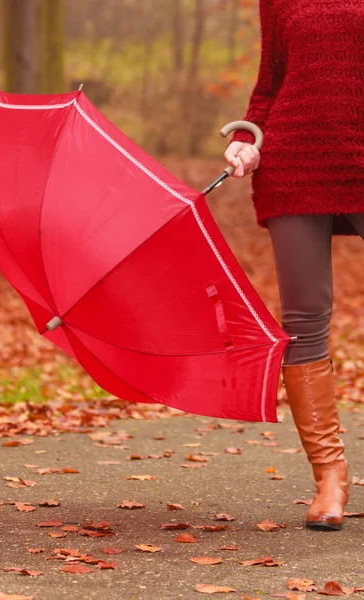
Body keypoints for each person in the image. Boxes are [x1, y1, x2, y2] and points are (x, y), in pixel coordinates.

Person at [224, 0, 364, 531]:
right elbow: (270, 82)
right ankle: (330, 476)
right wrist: (245, 139)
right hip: (295, 160)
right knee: (304, 320)